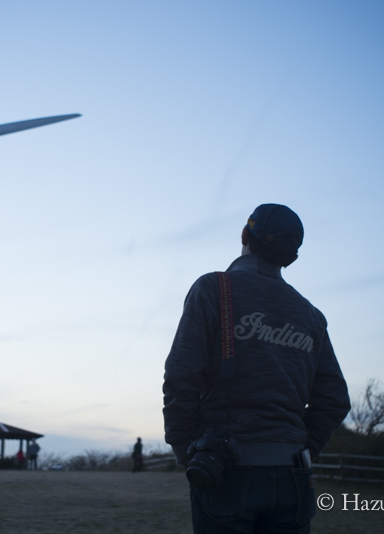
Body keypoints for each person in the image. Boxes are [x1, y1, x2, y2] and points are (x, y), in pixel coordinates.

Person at [163, 204, 350, 534]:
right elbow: (334, 399)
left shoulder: (214, 289)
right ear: (292, 257)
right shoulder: (311, 316)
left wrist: (185, 450)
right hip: (294, 477)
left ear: (245, 235)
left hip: (225, 471)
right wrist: (298, 449)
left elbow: (181, 376)